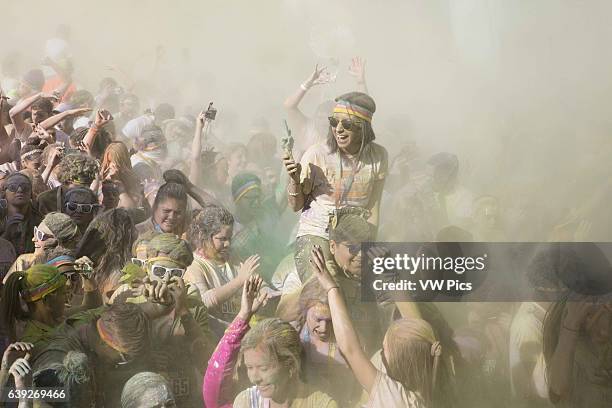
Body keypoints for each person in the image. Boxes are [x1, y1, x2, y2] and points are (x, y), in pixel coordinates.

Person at [310, 245, 455, 408]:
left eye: (384, 349)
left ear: (398, 365)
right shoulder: (427, 368)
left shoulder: (394, 398)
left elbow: (350, 349)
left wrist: (332, 289)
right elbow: (415, 326)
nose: (381, 351)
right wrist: (391, 275)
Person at [283, 92, 388, 282]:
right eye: (334, 122)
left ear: (363, 128)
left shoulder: (378, 156)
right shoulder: (316, 154)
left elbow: (373, 207)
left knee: (386, 287)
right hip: (317, 234)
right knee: (325, 288)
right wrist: (294, 180)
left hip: (354, 238)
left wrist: (369, 246)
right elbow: (296, 205)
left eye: (346, 124)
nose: (338, 129)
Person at [204, 275, 337, 408]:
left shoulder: (322, 404)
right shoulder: (246, 402)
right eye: (250, 368)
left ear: (290, 365)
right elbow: (215, 395)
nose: (254, 378)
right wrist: (243, 316)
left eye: (263, 368)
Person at [185, 205, 260, 323]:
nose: (227, 244)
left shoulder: (233, 257)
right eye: (222, 239)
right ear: (203, 236)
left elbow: (257, 280)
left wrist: (265, 292)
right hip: (216, 334)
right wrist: (239, 281)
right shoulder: (194, 264)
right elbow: (203, 302)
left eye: (230, 238)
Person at [6, 211, 79, 278]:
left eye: (40, 235)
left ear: (59, 241)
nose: (34, 239)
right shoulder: (24, 262)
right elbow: (6, 290)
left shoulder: (74, 271)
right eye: (36, 231)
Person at [36, 152, 99, 217]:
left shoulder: (92, 201)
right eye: (80, 186)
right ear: (67, 180)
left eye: (88, 185)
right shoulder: (46, 200)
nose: (84, 190)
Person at [0, 172, 40, 256]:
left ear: (31, 192)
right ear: (4, 192)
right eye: (13, 187)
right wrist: (7, 234)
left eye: (25, 187)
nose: (20, 190)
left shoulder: (39, 218)